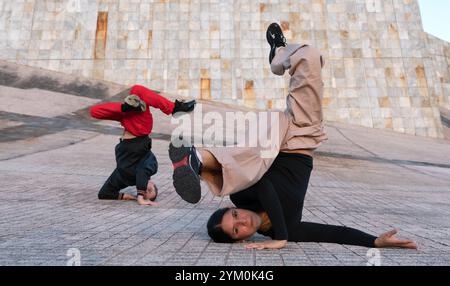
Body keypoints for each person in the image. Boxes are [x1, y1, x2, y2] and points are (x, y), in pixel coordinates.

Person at [169, 23, 327, 204]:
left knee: (250, 156)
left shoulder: (248, 199)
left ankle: (196, 159)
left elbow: (241, 195)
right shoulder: (288, 223)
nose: (241, 221)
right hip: (304, 130)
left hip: (278, 137)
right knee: (310, 55)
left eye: (235, 224)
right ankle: (279, 52)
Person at [206, 152, 418, 250]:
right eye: (236, 230)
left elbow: (265, 187)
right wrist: (374, 242)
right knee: (308, 70)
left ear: (232, 208)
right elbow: (333, 233)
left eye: (235, 215)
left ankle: (197, 163)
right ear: (241, 240)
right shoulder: (291, 230)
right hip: (306, 145)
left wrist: (281, 237)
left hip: (286, 140)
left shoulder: (242, 196)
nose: (242, 221)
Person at [91, 85, 196, 206]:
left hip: (127, 118)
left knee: (94, 112)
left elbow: (104, 193)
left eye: (145, 194)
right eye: (150, 190)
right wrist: (140, 197)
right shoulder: (151, 165)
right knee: (137, 90)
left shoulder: (123, 178)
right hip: (142, 128)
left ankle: (129, 106)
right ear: (151, 182)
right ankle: (174, 108)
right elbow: (142, 172)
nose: (146, 191)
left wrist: (130, 197)